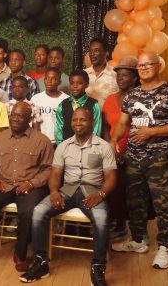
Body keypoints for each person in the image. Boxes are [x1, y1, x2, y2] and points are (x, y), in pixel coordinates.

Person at [20, 107, 117, 286]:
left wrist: (101, 194)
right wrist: (55, 192)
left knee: (102, 219)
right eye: (75, 120)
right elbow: (55, 174)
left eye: (83, 120)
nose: (78, 123)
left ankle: (98, 267)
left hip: (92, 191)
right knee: (39, 211)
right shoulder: (64, 146)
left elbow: (111, 177)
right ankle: (41, 262)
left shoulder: (103, 146)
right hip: (68, 190)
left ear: (92, 123)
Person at [0, 102, 53, 276]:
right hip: (2, 184)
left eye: (20, 116)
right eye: (13, 114)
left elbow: (49, 169)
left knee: (29, 210)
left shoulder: (41, 140)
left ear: (29, 119)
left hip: (29, 185)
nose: (15, 118)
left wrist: (32, 183)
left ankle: (20, 255)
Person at [110, 52, 168, 269]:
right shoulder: (133, 95)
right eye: (140, 65)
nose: (143, 68)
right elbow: (122, 123)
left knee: (162, 204)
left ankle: (165, 248)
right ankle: (138, 240)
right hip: (133, 157)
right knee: (135, 202)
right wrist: (113, 141)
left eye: (148, 64)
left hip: (158, 157)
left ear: (158, 66)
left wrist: (151, 132)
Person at [102, 56, 139, 242]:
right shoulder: (110, 99)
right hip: (113, 153)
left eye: (125, 75)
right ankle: (117, 223)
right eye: (119, 76)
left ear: (134, 77)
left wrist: (125, 152)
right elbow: (105, 127)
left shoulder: (140, 98)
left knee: (129, 191)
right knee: (112, 188)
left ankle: (128, 227)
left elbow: (140, 128)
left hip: (134, 152)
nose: (121, 79)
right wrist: (111, 149)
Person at [55, 69, 101, 145]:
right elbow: (58, 130)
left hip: (88, 146)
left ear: (87, 84)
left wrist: (91, 146)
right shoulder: (62, 105)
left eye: (80, 83)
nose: (75, 86)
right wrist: (62, 146)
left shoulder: (94, 105)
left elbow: (96, 129)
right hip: (67, 147)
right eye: (72, 83)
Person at [31, 67, 69, 144]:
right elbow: (33, 123)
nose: (49, 81)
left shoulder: (66, 100)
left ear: (59, 82)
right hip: (40, 142)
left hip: (60, 142)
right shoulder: (35, 99)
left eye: (53, 79)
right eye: (47, 78)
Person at [85, 38, 118, 107]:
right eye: (90, 51)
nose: (92, 54)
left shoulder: (115, 75)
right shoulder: (83, 75)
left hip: (108, 117)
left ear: (106, 53)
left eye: (96, 51)